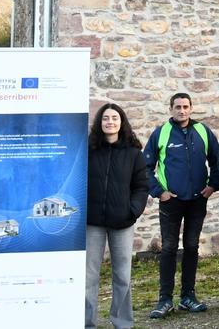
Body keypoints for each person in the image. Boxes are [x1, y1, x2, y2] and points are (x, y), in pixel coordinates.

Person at [143, 93, 219, 319]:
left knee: (191, 246)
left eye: (186, 106)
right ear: (171, 109)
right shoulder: (161, 133)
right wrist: (159, 192)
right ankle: (165, 299)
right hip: (171, 202)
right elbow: (145, 167)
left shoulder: (203, 132)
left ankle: (188, 296)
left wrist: (212, 187)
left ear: (191, 108)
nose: (182, 110)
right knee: (168, 248)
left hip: (197, 200)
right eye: (177, 107)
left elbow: (218, 161)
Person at [86, 103, 148, 329]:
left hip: (122, 222)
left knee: (122, 275)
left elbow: (142, 186)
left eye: (114, 118)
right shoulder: (89, 151)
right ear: (99, 123)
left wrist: (132, 210)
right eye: (105, 118)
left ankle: (122, 322)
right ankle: (87, 322)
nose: (110, 122)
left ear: (121, 122)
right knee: (89, 276)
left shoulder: (133, 154)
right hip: (92, 223)